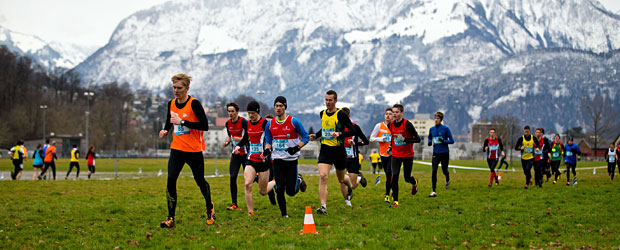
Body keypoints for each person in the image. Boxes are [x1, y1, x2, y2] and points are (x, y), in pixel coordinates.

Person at [158, 73, 214, 228]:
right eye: (174, 87)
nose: (176, 90)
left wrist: (182, 121)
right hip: (177, 149)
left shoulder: (194, 104)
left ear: (187, 88)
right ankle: (171, 218)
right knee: (171, 180)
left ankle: (209, 207)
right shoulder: (171, 103)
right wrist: (165, 130)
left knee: (200, 181)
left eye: (179, 88)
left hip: (193, 150)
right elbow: (170, 121)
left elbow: (204, 126)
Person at [309, 90, 355, 215]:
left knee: (341, 179)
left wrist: (339, 134)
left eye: (330, 100)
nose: (328, 102)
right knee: (323, 176)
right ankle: (323, 206)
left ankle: (350, 186)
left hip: (339, 150)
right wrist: (316, 135)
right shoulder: (322, 113)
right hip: (325, 150)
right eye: (326, 100)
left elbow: (352, 130)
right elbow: (325, 129)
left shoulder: (341, 114)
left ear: (335, 100)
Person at [263, 96, 309, 218]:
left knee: (291, 192)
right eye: (276, 106)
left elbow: (306, 137)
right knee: (279, 187)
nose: (278, 108)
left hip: (291, 161)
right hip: (277, 160)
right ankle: (284, 214)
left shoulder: (294, 122)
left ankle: (298, 180)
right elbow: (268, 139)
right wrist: (267, 149)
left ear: (285, 107)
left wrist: (297, 147)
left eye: (281, 106)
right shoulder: (270, 124)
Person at [234, 101, 277, 216]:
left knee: (262, 192)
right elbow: (245, 138)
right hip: (251, 159)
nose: (251, 116)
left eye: (253, 113)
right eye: (249, 113)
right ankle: (250, 212)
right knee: (248, 184)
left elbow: (270, 138)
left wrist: (267, 150)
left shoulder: (264, 124)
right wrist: (239, 145)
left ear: (257, 112)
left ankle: (274, 182)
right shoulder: (248, 124)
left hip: (263, 161)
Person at [388, 104, 421, 207]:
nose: (394, 114)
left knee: (407, 178)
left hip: (407, 155)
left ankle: (414, 182)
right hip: (396, 154)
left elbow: (418, 139)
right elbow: (393, 138)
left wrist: (405, 140)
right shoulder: (391, 125)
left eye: (397, 112)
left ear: (402, 113)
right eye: (393, 112)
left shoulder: (407, 124)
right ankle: (396, 201)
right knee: (395, 175)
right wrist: (390, 146)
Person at [223, 102, 249, 211]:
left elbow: (249, 135)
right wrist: (227, 142)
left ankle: (268, 183)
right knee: (232, 177)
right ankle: (234, 204)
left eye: (232, 111)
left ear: (237, 112)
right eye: (229, 111)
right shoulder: (227, 123)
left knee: (250, 179)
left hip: (246, 154)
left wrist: (241, 140)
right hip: (235, 154)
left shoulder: (243, 122)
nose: (230, 113)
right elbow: (230, 136)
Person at [341, 107, 369, 206]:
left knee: (352, 185)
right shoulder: (337, 128)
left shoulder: (355, 127)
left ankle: (359, 178)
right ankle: (347, 202)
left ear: (349, 117)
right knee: (341, 180)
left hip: (353, 159)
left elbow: (366, 141)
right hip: (342, 159)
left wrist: (355, 143)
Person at [369, 108, 394, 203]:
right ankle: (391, 190)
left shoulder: (394, 126)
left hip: (393, 154)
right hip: (383, 154)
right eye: (386, 114)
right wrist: (380, 139)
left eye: (390, 114)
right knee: (389, 175)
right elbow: (371, 138)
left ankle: (387, 195)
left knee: (389, 173)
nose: (388, 115)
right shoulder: (379, 126)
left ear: (393, 116)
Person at [427, 111, 454, 197]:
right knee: (434, 170)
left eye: (438, 118)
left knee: (444, 170)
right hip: (436, 153)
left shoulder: (446, 129)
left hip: (445, 153)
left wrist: (444, 141)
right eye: (435, 118)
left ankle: (447, 178)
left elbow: (452, 141)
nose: (436, 120)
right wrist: (429, 142)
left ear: (441, 120)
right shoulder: (432, 129)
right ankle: (434, 190)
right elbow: (429, 137)